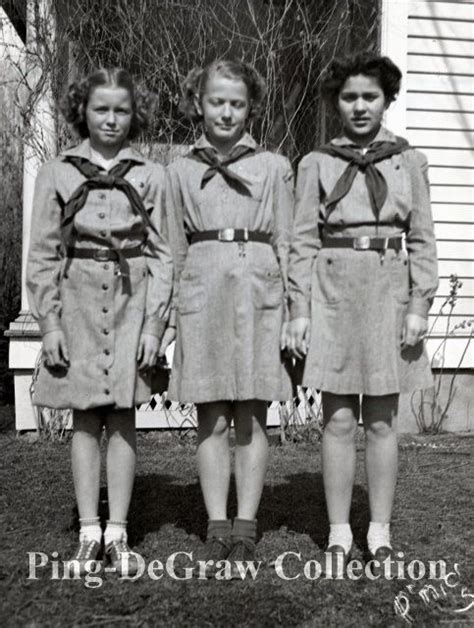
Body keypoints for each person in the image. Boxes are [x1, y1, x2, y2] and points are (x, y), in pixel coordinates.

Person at [286, 52, 438, 575]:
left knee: (381, 420)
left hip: (390, 293)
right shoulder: (316, 163)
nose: (358, 106)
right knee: (338, 417)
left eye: (369, 96)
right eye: (348, 97)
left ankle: (379, 531)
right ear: (336, 102)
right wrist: (298, 311)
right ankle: (336, 532)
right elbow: (301, 241)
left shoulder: (408, 161)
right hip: (332, 292)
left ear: (387, 99)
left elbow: (422, 238)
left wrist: (419, 303)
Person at [27, 68, 173, 575]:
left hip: (133, 303)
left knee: (124, 415)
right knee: (86, 417)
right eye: (101, 109)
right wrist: (49, 324)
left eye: (122, 111)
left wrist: (156, 325)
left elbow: (164, 254)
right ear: (81, 111)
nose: (111, 120)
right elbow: (43, 254)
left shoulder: (152, 175)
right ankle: (89, 530)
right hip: (77, 305)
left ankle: (119, 533)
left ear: (136, 116)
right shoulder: (57, 172)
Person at [163, 59, 293, 576]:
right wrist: (168, 318)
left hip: (260, 288)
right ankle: (216, 525)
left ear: (251, 108)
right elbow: (171, 248)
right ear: (199, 104)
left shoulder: (275, 167)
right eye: (217, 101)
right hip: (202, 290)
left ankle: (246, 525)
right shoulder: (178, 171)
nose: (226, 112)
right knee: (212, 414)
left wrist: (294, 309)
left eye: (237, 103)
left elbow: (288, 242)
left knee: (251, 415)